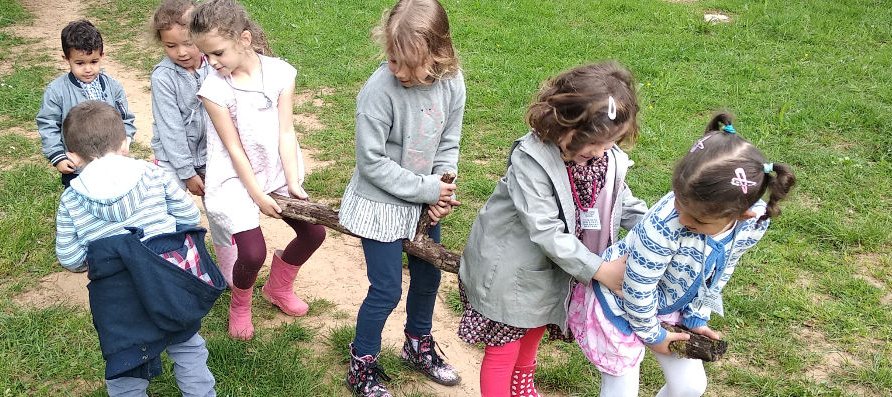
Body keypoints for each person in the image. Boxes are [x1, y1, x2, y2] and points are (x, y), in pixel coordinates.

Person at [566, 112, 797, 397]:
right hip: (618, 300)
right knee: (622, 391)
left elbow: (722, 268)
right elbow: (637, 289)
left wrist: (696, 317)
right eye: (677, 201)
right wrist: (655, 337)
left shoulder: (752, 224)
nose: (683, 217)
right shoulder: (662, 226)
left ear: (741, 215)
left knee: (690, 386)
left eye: (698, 220)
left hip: (667, 302)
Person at [458, 62, 647, 397]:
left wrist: (653, 230)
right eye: (598, 143)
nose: (604, 152)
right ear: (566, 128)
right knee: (504, 346)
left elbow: (620, 201)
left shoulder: (603, 158)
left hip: (553, 269)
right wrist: (599, 269)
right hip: (510, 271)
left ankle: (523, 385)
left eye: (612, 142)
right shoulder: (531, 160)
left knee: (536, 326)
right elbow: (545, 229)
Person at [337, 1, 466, 395]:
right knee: (387, 288)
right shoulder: (379, 91)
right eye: (394, 61)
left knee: (428, 277)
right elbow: (372, 163)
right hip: (380, 205)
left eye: (412, 64)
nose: (401, 73)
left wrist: (442, 188)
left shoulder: (452, 83)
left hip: (423, 203)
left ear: (439, 53)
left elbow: (448, 140)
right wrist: (428, 189)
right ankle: (362, 362)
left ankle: (417, 344)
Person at [54, 101, 219, 397]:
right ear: (125, 143)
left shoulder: (72, 200)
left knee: (125, 364)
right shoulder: (153, 174)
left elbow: (69, 257)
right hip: (167, 280)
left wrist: (88, 260)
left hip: (117, 298)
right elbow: (190, 217)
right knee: (187, 348)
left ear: (73, 157)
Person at [189, 0, 326, 341]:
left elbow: (286, 132)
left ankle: (278, 288)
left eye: (218, 53)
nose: (212, 63)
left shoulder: (280, 73)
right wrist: (257, 195)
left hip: (276, 169)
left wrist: (292, 181)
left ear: (244, 39)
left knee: (314, 233)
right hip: (236, 178)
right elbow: (233, 149)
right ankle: (240, 304)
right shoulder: (214, 89)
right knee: (253, 252)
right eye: (206, 56)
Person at [37, 19, 136, 187]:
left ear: (102, 56)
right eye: (80, 63)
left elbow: (125, 118)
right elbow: (48, 125)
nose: (88, 69)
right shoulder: (56, 91)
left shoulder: (113, 87)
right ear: (66, 59)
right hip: (78, 168)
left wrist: (124, 142)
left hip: (112, 165)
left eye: (94, 62)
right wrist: (58, 156)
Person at [149, 0, 212, 196]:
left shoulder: (215, 65)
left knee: (221, 212)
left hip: (211, 154)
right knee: (171, 209)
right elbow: (171, 129)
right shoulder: (163, 77)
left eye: (188, 43)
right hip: (172, 159)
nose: (181, 52)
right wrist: (186, 172)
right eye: (171, 45)